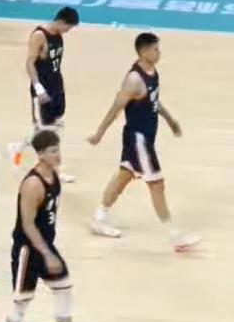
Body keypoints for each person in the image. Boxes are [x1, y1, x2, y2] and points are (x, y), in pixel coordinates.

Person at [86, 33, 200, 251]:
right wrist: (99, 133)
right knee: (157, 184)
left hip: (143, 137)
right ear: (143, 51)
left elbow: (154, 100)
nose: (159, 53)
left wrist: (170, 120)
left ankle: (99, 218)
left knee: (123, 177)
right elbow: (116, 107)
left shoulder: (152, 72)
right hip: (139, 139)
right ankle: (174, 235)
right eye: (155, 49)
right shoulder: (134, 79)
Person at [7, 130, 72, 322]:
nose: (58, 155)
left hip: (44, 244)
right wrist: (47, 254)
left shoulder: (54, 175)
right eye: (53, 151)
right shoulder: (33, 184)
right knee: (21, 305)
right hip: (28, 249)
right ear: (41, 154)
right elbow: (27, 224)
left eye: (58, 149)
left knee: (64, 288)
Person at [9, 8, 80, 181]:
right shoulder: (39, 35)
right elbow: (29, 63)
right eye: (68, 27)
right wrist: (38, 87)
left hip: (56, 86)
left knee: (53, 127)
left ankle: (18, 148)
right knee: (47, 134)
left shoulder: (58, 35)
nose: (68, 31)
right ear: (61, 22)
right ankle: (54, 171)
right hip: (43, 89)